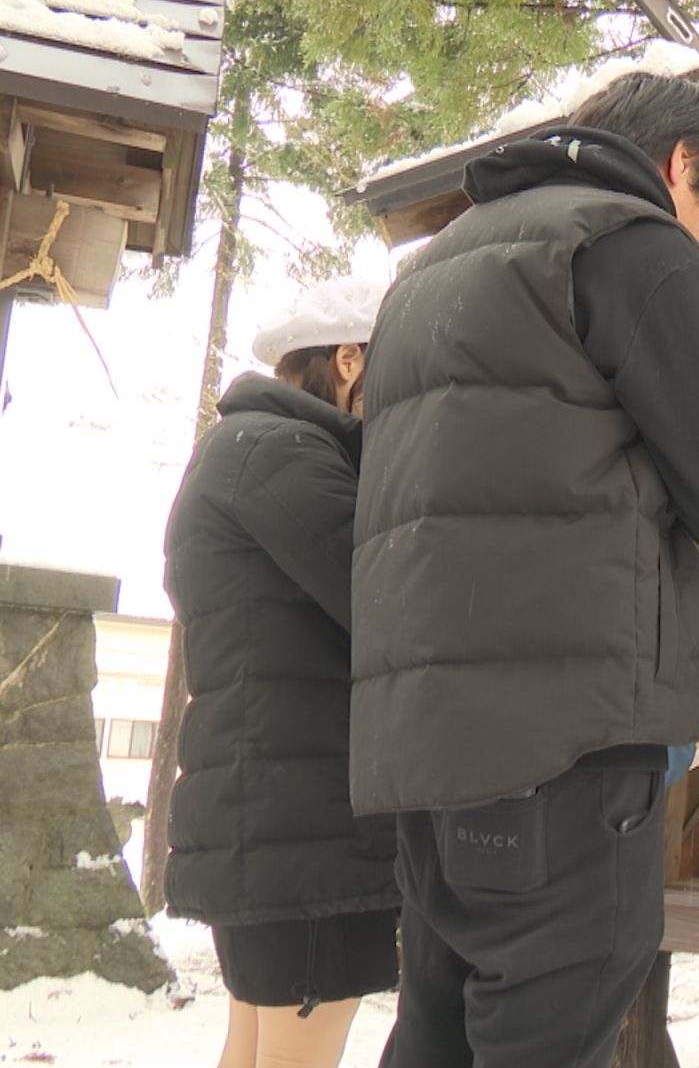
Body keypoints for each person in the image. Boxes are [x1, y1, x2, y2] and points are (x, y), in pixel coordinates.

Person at [351, 72, 699, 1067]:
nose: (696, 246)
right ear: (680, 165)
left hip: (425, 753)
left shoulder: (427, 271)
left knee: (437, 1035)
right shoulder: (634, 244)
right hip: (565, 747)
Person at [162, 278, 398, 1068]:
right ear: (349, 358)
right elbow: (386, 599)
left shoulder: (242, 448)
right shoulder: (280, 453)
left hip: (267, 818)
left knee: (256, 1051)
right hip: (303, 828)